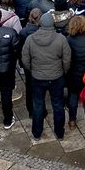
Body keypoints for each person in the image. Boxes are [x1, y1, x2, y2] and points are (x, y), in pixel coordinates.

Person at [21, 12, 70, 141]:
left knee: (37, 105)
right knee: (58, 105)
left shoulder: (30, 39)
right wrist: (63, 71)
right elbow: (67, 60)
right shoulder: (61, 39)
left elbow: (25, 60)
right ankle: (59, 133)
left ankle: (37, 133)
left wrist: (32, 70)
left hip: (38, 78)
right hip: (56, 77)